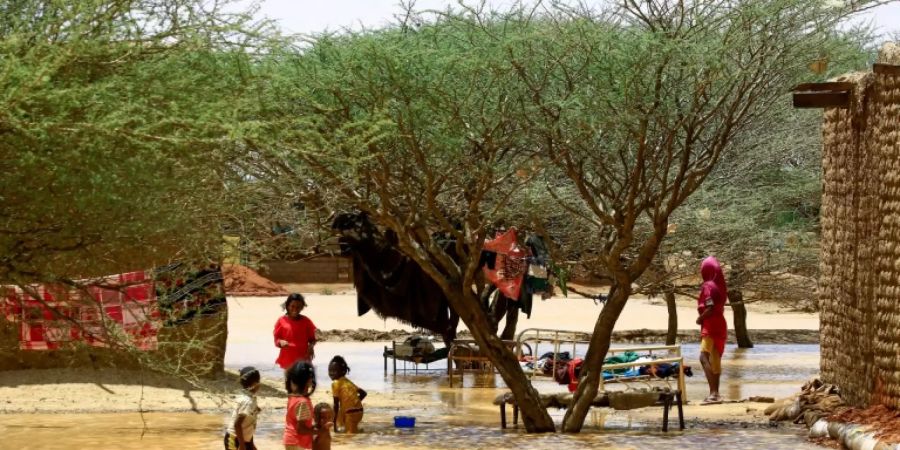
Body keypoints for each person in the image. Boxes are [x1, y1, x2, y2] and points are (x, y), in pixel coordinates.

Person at [696, 256, 728, 404]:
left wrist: (700, 319)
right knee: (715, 359)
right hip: (720, 324)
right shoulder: (720, 286)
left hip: (711, 324)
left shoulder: (708, 286)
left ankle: (713, 393)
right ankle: (716, 395)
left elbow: (710, 308)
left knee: (703, 357)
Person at [284, 361, 327, 450]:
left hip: (289, 439)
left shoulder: (292, 398)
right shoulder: (303, 402)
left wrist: (312, 427)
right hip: (297, 442)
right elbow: (301, 430)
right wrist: (319, 432)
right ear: (309, 381)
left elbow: (296, 421)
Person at [275, 293, 317, 373]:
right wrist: (280, 342)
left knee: (303, 384)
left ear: (302, 307)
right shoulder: (281, 321)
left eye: (298, 307)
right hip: (288, 360)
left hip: (304, 360)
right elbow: (276, 339)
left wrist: (311, 346)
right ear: (287, 306)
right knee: (290, 383)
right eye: (292, 306)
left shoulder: (306, 321)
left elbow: (314, 338)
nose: (295, 309)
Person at [224, 366, 262, 450]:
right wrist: (242, 445)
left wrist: (251, 444)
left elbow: (248, 423)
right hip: (234, 439)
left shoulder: (250, 398)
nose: (260, 384)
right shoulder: (247, 401)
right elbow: (237, 424)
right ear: (254, 384)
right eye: (259, 381)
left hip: (245, 438)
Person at [328, 355, 367, 433]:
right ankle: (353, 429)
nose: (331, 373)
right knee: (350, 428)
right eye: (330, 370)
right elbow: (363, 393)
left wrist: (334, 424)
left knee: (349, 437)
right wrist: (354, 402)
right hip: (359, 411)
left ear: (343, 371)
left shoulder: (335, 383)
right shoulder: (347, 381)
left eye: (334, 371)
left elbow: (336, 405)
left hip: (350, 412)